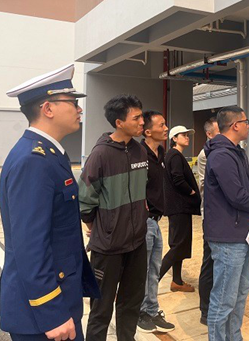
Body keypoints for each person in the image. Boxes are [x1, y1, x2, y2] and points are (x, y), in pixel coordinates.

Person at [0, 63, 100, 340]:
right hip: (44, 315)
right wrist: (52, 312)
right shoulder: (34, 160)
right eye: (73, 102)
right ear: (48, 109)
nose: (79, 109)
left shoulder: (49, 154)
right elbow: (30, 245)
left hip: (59, 300)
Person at [79, 94, 149, 341]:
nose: (142, 122)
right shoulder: (100, 154)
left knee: (131, 304)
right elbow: (85, 200)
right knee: (101, 308)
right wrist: (99, 226)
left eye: (141, 116)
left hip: (137, 243)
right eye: (136, 118)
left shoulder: (140, 151)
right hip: (108, 248)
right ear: (119, 122)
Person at [204, 106, 249, 341]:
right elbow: (236, 195)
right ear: (235, 125)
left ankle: (234, 337)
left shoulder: (235, 152)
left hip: (239, 233)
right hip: (227, 236)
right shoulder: (222, 155)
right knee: (223, 299)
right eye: (246, 121)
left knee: (239, 294)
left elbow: (244, 189)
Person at [137, 111, 175, 334]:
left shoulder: (161, 153)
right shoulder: (139, 154)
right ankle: (140, 312)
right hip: (144, 220)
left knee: (154, 269)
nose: (166, 128)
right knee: (141, 270)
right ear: (148, 131)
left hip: (156, 220)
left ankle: (151, 309)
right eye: (161, 125)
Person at [160, 125, 201, 291]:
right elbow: (178, 179)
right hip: (179, 207)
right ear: (174, 139)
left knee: (178, 245)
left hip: (176, 207)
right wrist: (191, 191)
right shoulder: (175, 155)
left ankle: (177, 281)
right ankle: (149, 283)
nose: (187, 137)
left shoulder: (172, 155)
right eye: (183, 135)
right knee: (178, 246)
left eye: (187, 135)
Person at [197, 117, 219, 325]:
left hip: (221, 218)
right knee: (209, 262)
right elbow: (205, 186)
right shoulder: (206, 154)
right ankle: (205, 309)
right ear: (209, 134)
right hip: (211, 216)